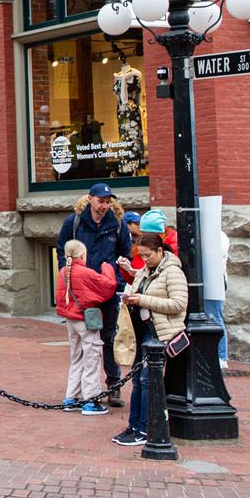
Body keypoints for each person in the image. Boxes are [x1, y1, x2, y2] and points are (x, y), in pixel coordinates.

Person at [57, 182, 133, 407]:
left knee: (108, 338)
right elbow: (63, 250)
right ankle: (81, 392)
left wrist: (116, 283)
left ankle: (113, 384)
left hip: (107, 290)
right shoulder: (74, 222)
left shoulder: (118, 224)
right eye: (101, 201)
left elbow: (124, 254)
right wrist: (70, 276)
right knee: (83, 343)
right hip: (83, 293)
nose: (105, 206)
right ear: (90, 199)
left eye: (108, 202)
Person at [112, 232, 188, 447]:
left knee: (147, 381)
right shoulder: (145, 271)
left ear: (160, 251)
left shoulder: (173, 272)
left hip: (159, 333)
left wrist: (143, 300)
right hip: (143, 331)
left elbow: (179, 304)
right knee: (137, 380)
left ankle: (146, 428)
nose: (144, 260)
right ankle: (134, 425)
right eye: (141, 256)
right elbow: (142, 286)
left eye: (148, 255)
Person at [56, 239, 119, 415]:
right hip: (85, 320)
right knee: (91, 358)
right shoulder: (84, 272)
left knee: (76, 358)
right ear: (82, 255)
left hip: (70, 320)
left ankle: (71, 397)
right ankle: (90, 401)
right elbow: (109, 286)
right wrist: (107, 267)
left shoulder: (63, 272)